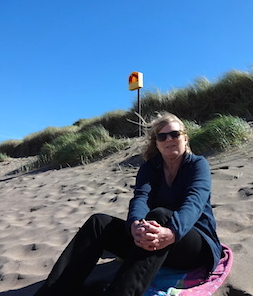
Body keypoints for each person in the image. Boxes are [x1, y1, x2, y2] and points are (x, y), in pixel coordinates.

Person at [34, 112, 222, 296]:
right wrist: (135, 224)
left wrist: (172, 232)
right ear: (156, 143)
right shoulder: (150, 168)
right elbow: (141, 198)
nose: (169, 139)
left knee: (160, 215)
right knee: (99, 223)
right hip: (155, 239)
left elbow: (194, 202)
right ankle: (54, 291)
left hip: (193, 245)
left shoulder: (198, 165)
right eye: (162, 136)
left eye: (175, 134)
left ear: (185, 138)